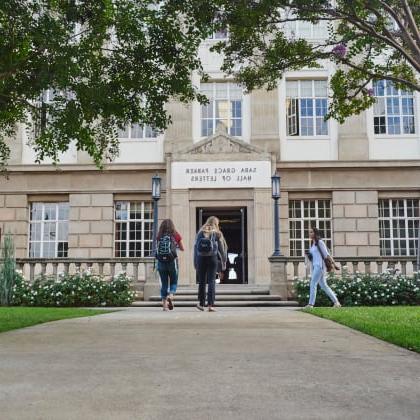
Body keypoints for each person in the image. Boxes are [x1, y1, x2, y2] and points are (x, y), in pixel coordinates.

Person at [194, 216, 227, 312]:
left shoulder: (200, 233)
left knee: (202, 282)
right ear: (216, 224)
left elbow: (195, 249)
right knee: (212, 281)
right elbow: (221, 249)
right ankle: (210, 305)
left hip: (201, 258)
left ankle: (201, 304)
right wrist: (224, 262)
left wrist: (195, 262)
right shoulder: (217, 233)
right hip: (212, 258)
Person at [305, 227, 341, 308]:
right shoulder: (313, 244)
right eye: (309, 232)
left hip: (320, 266)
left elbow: (327, 254)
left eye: (311, 232)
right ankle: (336, 302)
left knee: (313, 283)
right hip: (315, 266)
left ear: (315, 233)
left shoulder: (320, 242)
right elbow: (314, 256)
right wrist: (309, 255)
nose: (309, 234)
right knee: (324, 286)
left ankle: (311, 304)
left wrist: (334, 264)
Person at [155, 219, 184, 311]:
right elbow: (182, 248)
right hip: (172, 261)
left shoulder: (159, 235)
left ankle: (164, 306)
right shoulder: (175, 235)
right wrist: (176, 246)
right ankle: (171, 295)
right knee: (174, 281)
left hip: (161, 262)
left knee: (164, 284)